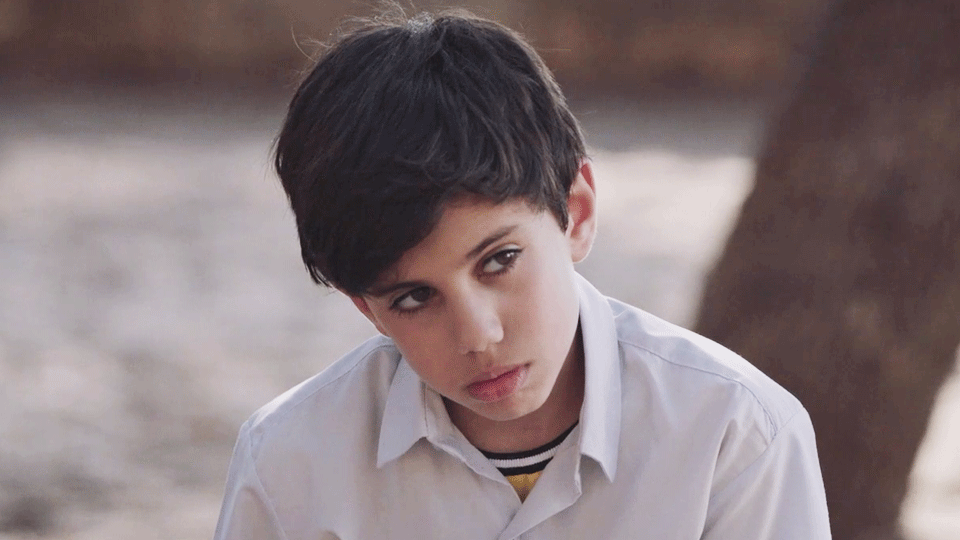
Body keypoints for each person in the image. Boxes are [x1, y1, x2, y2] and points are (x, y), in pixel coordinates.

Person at [213, 8, 831, 539]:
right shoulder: (289, 464)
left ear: (576, 213)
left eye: (499, 260)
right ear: (366, 308)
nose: (478, 335)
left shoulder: (735, 435)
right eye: (414, 297)